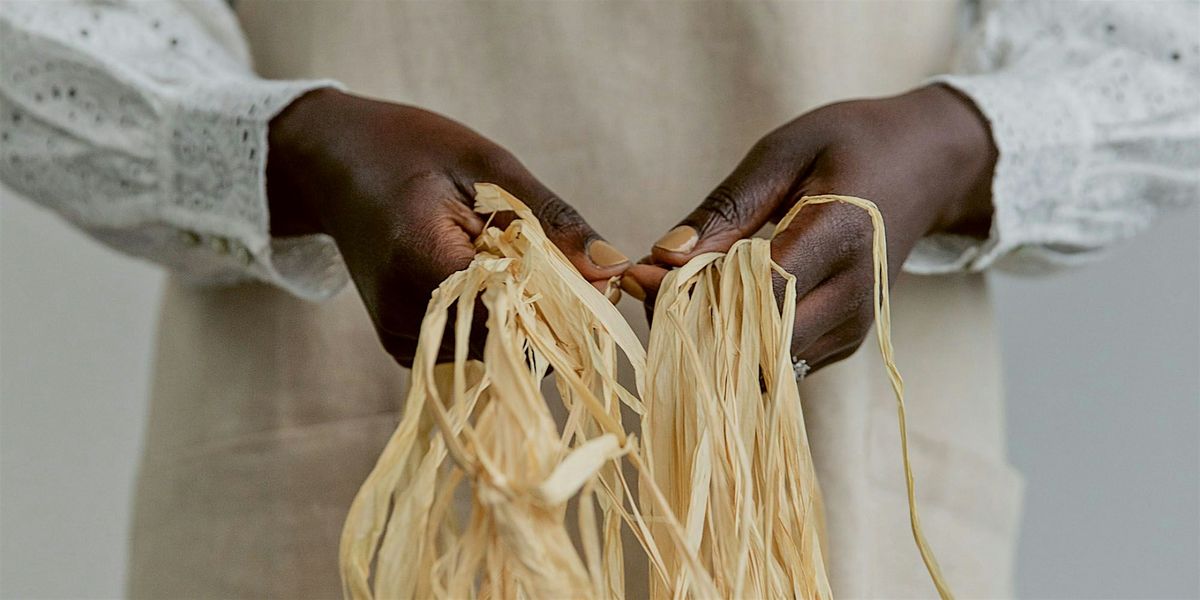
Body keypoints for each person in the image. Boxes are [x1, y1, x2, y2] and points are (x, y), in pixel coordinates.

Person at [1, 0, 1195, 597]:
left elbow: (1165, 48)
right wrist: (291, 148)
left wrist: (960, 145)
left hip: (839, 489)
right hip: (315, 474)